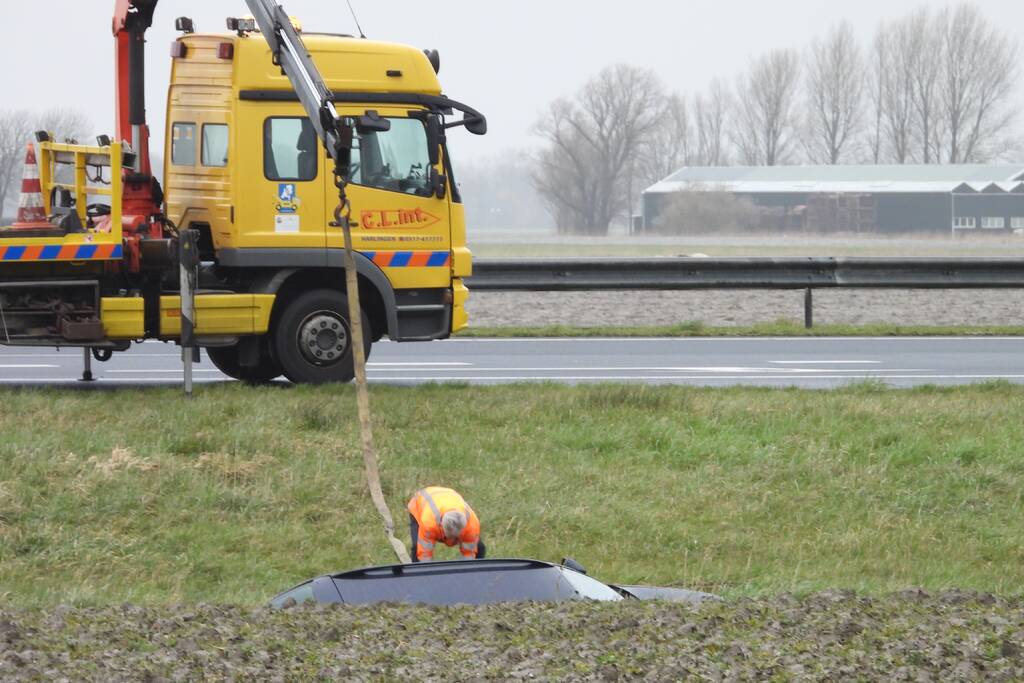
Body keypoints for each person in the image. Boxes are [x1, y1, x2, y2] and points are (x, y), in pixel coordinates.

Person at [407, 486, 486, 562]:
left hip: (448, 496)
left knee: (479, 548)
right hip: (420, 504)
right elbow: (424, 555)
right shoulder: (429, 523)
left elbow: (469, 554)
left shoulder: (472, 526)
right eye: (449, 536)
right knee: (417, 547)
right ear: (441, 525)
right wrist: (426, 569)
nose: (451, 540)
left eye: (456, 538)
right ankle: (415, 571)